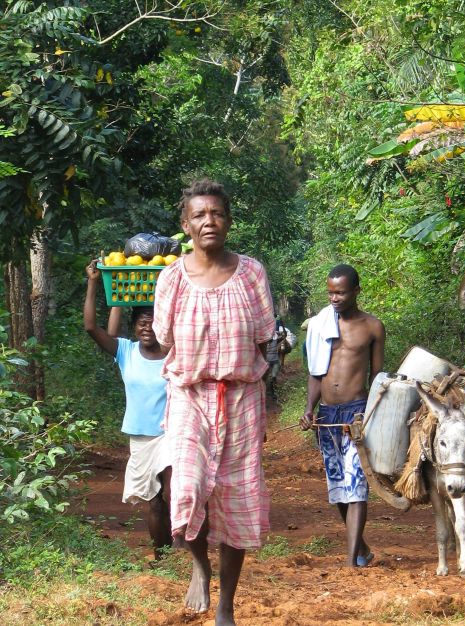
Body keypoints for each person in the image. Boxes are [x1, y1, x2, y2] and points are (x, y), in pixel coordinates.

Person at [152, 179, 274, 626]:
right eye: (199, 215)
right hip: (189, 394)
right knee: (186, 485)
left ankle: (227, 605)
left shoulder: (252, 273)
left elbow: (265, 333)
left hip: (242, 397)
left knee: (238, 496)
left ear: (229, 221)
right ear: (186, 224)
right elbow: (164, 338)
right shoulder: (171, 277)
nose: (209, 221)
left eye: (217, 214)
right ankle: (200, 567)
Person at [83, 263, 172, 562]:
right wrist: (95, 283)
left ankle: (184, 548)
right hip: (141, 438)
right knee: (154, 502)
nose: (148, 327)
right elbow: (91, 328)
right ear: (134, 327)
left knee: (173, 493)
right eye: (142, 323)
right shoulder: (125, 352)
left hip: (173, 433)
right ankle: (163, 554)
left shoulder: (176, 353)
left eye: (154, 322)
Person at [300, 264, 385, 567]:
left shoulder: (372, 327)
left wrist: (368, 415)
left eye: (341, 292)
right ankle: (361, 547)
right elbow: (314, 372)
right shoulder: (321, 324)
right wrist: (309, 409)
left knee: (357, 483)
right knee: (338, 488)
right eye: (330, 292)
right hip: (327, 415)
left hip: (355, 413)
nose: (334, 298)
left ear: (356, 292)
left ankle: (350, 561)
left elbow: (377, 376)